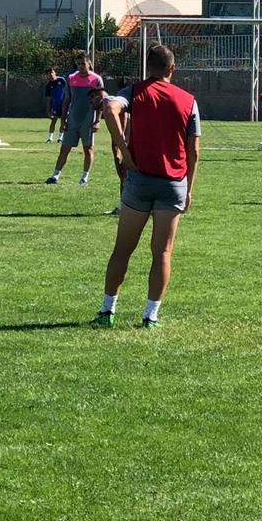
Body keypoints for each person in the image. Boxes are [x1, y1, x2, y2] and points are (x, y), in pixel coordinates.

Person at [91, 44, 199, 328]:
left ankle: (107, 311)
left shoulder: (135, 92)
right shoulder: (188, 100)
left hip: (139, 180)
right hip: (173, 182)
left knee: (123, 248)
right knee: (162, 252)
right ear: (172, 69)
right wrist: (189, 188)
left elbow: (109, 107)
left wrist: (125, 152)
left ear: (147, 67)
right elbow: (194, 151)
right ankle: (150, 315)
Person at [46, 53, 103, 185]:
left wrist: (97, 121)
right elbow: (67, 99)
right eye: (78, 64)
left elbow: (100, 101)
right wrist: (64, 120)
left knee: (88, 149)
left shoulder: (96, 79)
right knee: (64, 148)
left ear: (89, 63)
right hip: (72, 119)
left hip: (87, 120)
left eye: (83, 63)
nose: (81, 66)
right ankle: (55, 175)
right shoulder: (71, 78)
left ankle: (84, 178)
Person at [89, 82, 126, 215]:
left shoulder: (109, 102)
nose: (90, 102)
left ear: (98, 96)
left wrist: (122, 149)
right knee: (124, 177)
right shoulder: (109, 104)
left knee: (126, 176)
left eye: (91, 98)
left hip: (128, 146)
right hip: (123, 145)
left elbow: (124, 119)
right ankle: (122, 207)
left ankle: (125, 208)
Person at [43, 67, 68, 143]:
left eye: (52, 72)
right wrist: (48, 110)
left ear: (55, 73)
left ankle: (60, 138)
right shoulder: (48, 85)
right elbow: (48, 98)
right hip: (55, 106)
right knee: (54, 121)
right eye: (49, 73)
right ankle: (49, 138)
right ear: (47, 75)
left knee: (63, 121)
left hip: (64, 105)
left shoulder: (62, 80)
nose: (51, 74)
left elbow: (68, 91)